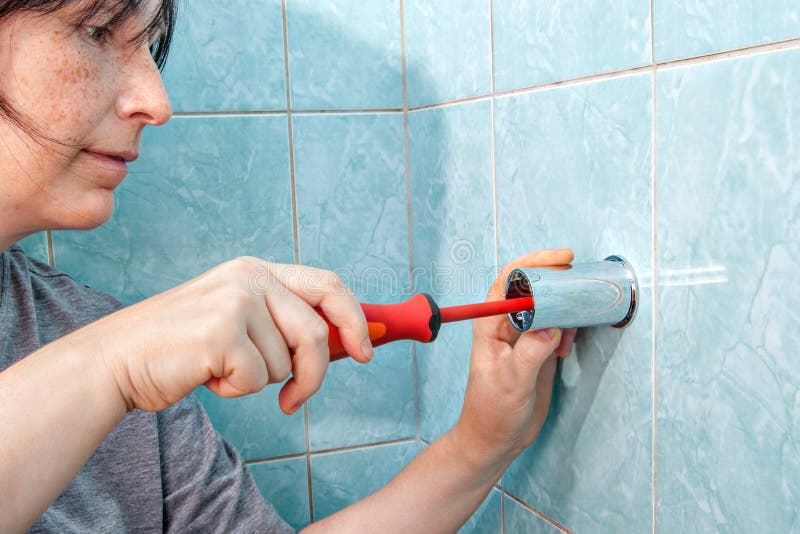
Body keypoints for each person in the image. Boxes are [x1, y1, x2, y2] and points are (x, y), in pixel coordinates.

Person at [0, 0, 577, 531]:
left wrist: (481, 444)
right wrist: (110, 364)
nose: (156, 102)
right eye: (97, 31)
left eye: (149, 47)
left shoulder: (101, 344)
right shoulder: (122, 358)